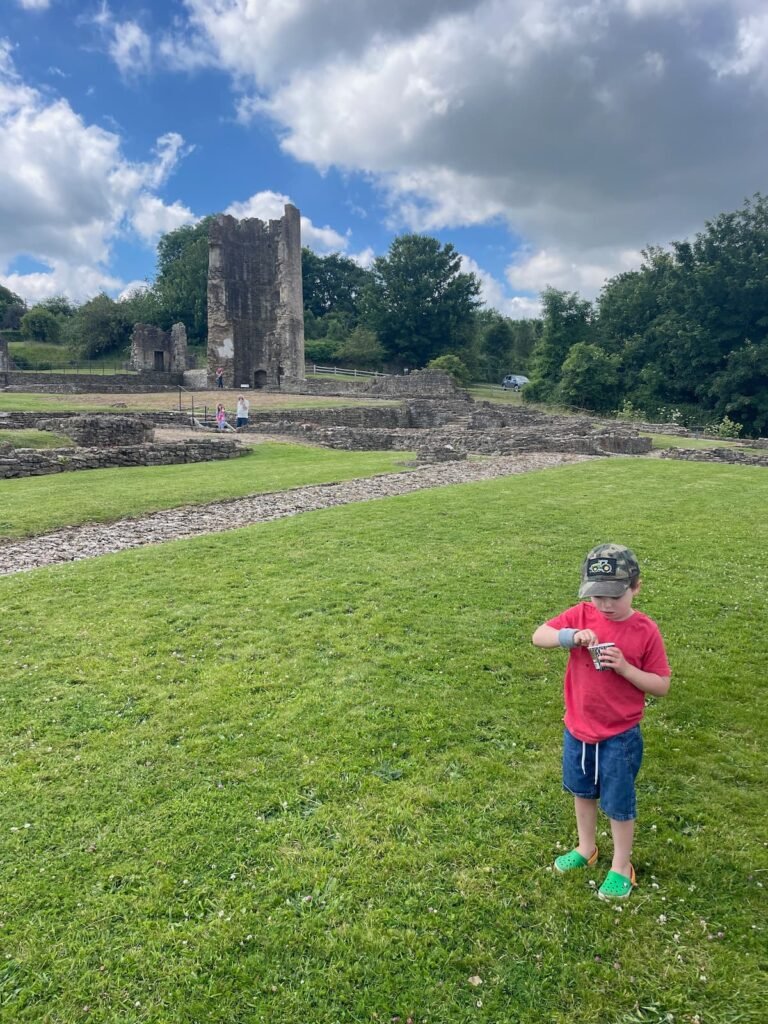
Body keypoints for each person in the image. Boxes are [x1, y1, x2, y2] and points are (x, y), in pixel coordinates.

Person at [531, 543, 671, 901]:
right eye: (597, 596)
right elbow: (539, 635)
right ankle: (586, 848)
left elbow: (661, 685)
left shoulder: (645, 630)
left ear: (636, 587)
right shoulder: (580, 615)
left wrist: (625, 668)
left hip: (619, 735)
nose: (605, 604)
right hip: (578, 728)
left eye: (614, 595)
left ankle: (621, 865)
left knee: (619, 803)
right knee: (582, 792)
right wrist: (571, 637)